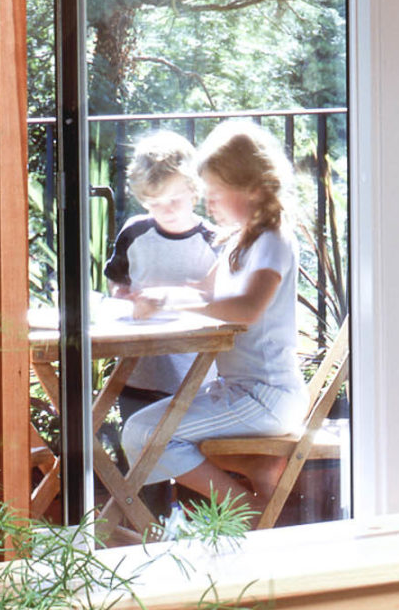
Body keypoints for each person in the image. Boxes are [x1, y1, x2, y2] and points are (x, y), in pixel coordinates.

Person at [120, 120, 306, 515]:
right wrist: (157, 297)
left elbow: (246, 309)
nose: (210, 205)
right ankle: (255, 469)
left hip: (266, 396)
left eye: (218, 195)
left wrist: (173, 302)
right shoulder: (241, 240)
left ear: (253, 189)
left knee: (142, 433)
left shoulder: (272, 239)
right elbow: (204, 292)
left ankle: (245, 511)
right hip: (241, 390)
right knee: (142, 430)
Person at [103, 130, 219, 429]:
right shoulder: (135, 232)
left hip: (193, 373)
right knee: (138, 452)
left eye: (173, 201)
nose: (164, 210)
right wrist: (122, 294)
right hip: (137, 370)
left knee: (183, 450)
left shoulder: (212, 241)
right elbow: (116, 279)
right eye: (154, 202)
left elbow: (217, 298)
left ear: (195, 192)